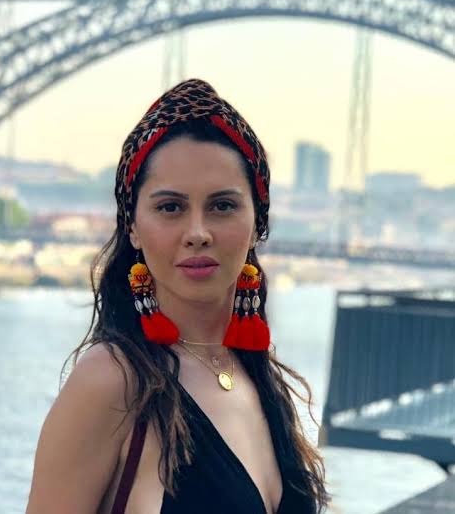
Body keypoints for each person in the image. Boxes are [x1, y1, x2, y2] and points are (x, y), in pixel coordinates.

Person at [26, 79, 331, 513]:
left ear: (257, 224)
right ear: (133, 227)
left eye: (222, 206)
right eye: (170, 207)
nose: (197, 233)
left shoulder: (259, 378)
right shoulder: (112, 381)